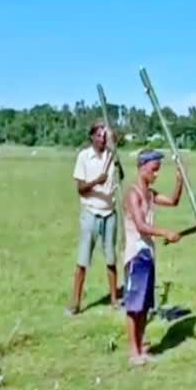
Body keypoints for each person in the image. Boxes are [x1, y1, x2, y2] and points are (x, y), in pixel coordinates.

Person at [122, 149, 182, 366]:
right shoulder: (133, 194)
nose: (156, 174)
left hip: (149, 253)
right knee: (134, 306)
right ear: (142, 167)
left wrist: (179, 181)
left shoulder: (150, 194)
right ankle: (133, 352)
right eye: (153, 170)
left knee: (145, 305)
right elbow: (141, 225)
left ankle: (141, 347)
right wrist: (166, 233)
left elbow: (173, 201)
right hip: (135, 255)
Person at [69, 122, 119, 315]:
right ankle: (76, 303)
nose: (102, 139)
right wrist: (98, 181)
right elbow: (80, 188)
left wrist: (113, 138)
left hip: (110, 213)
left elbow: (119, 178)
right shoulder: (84, 156)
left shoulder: (112, 157)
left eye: (105, 136)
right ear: (92, 137)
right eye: (98, 135)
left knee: (111, 259)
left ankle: (115, 299)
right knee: (83, 260)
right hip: (91, 212)